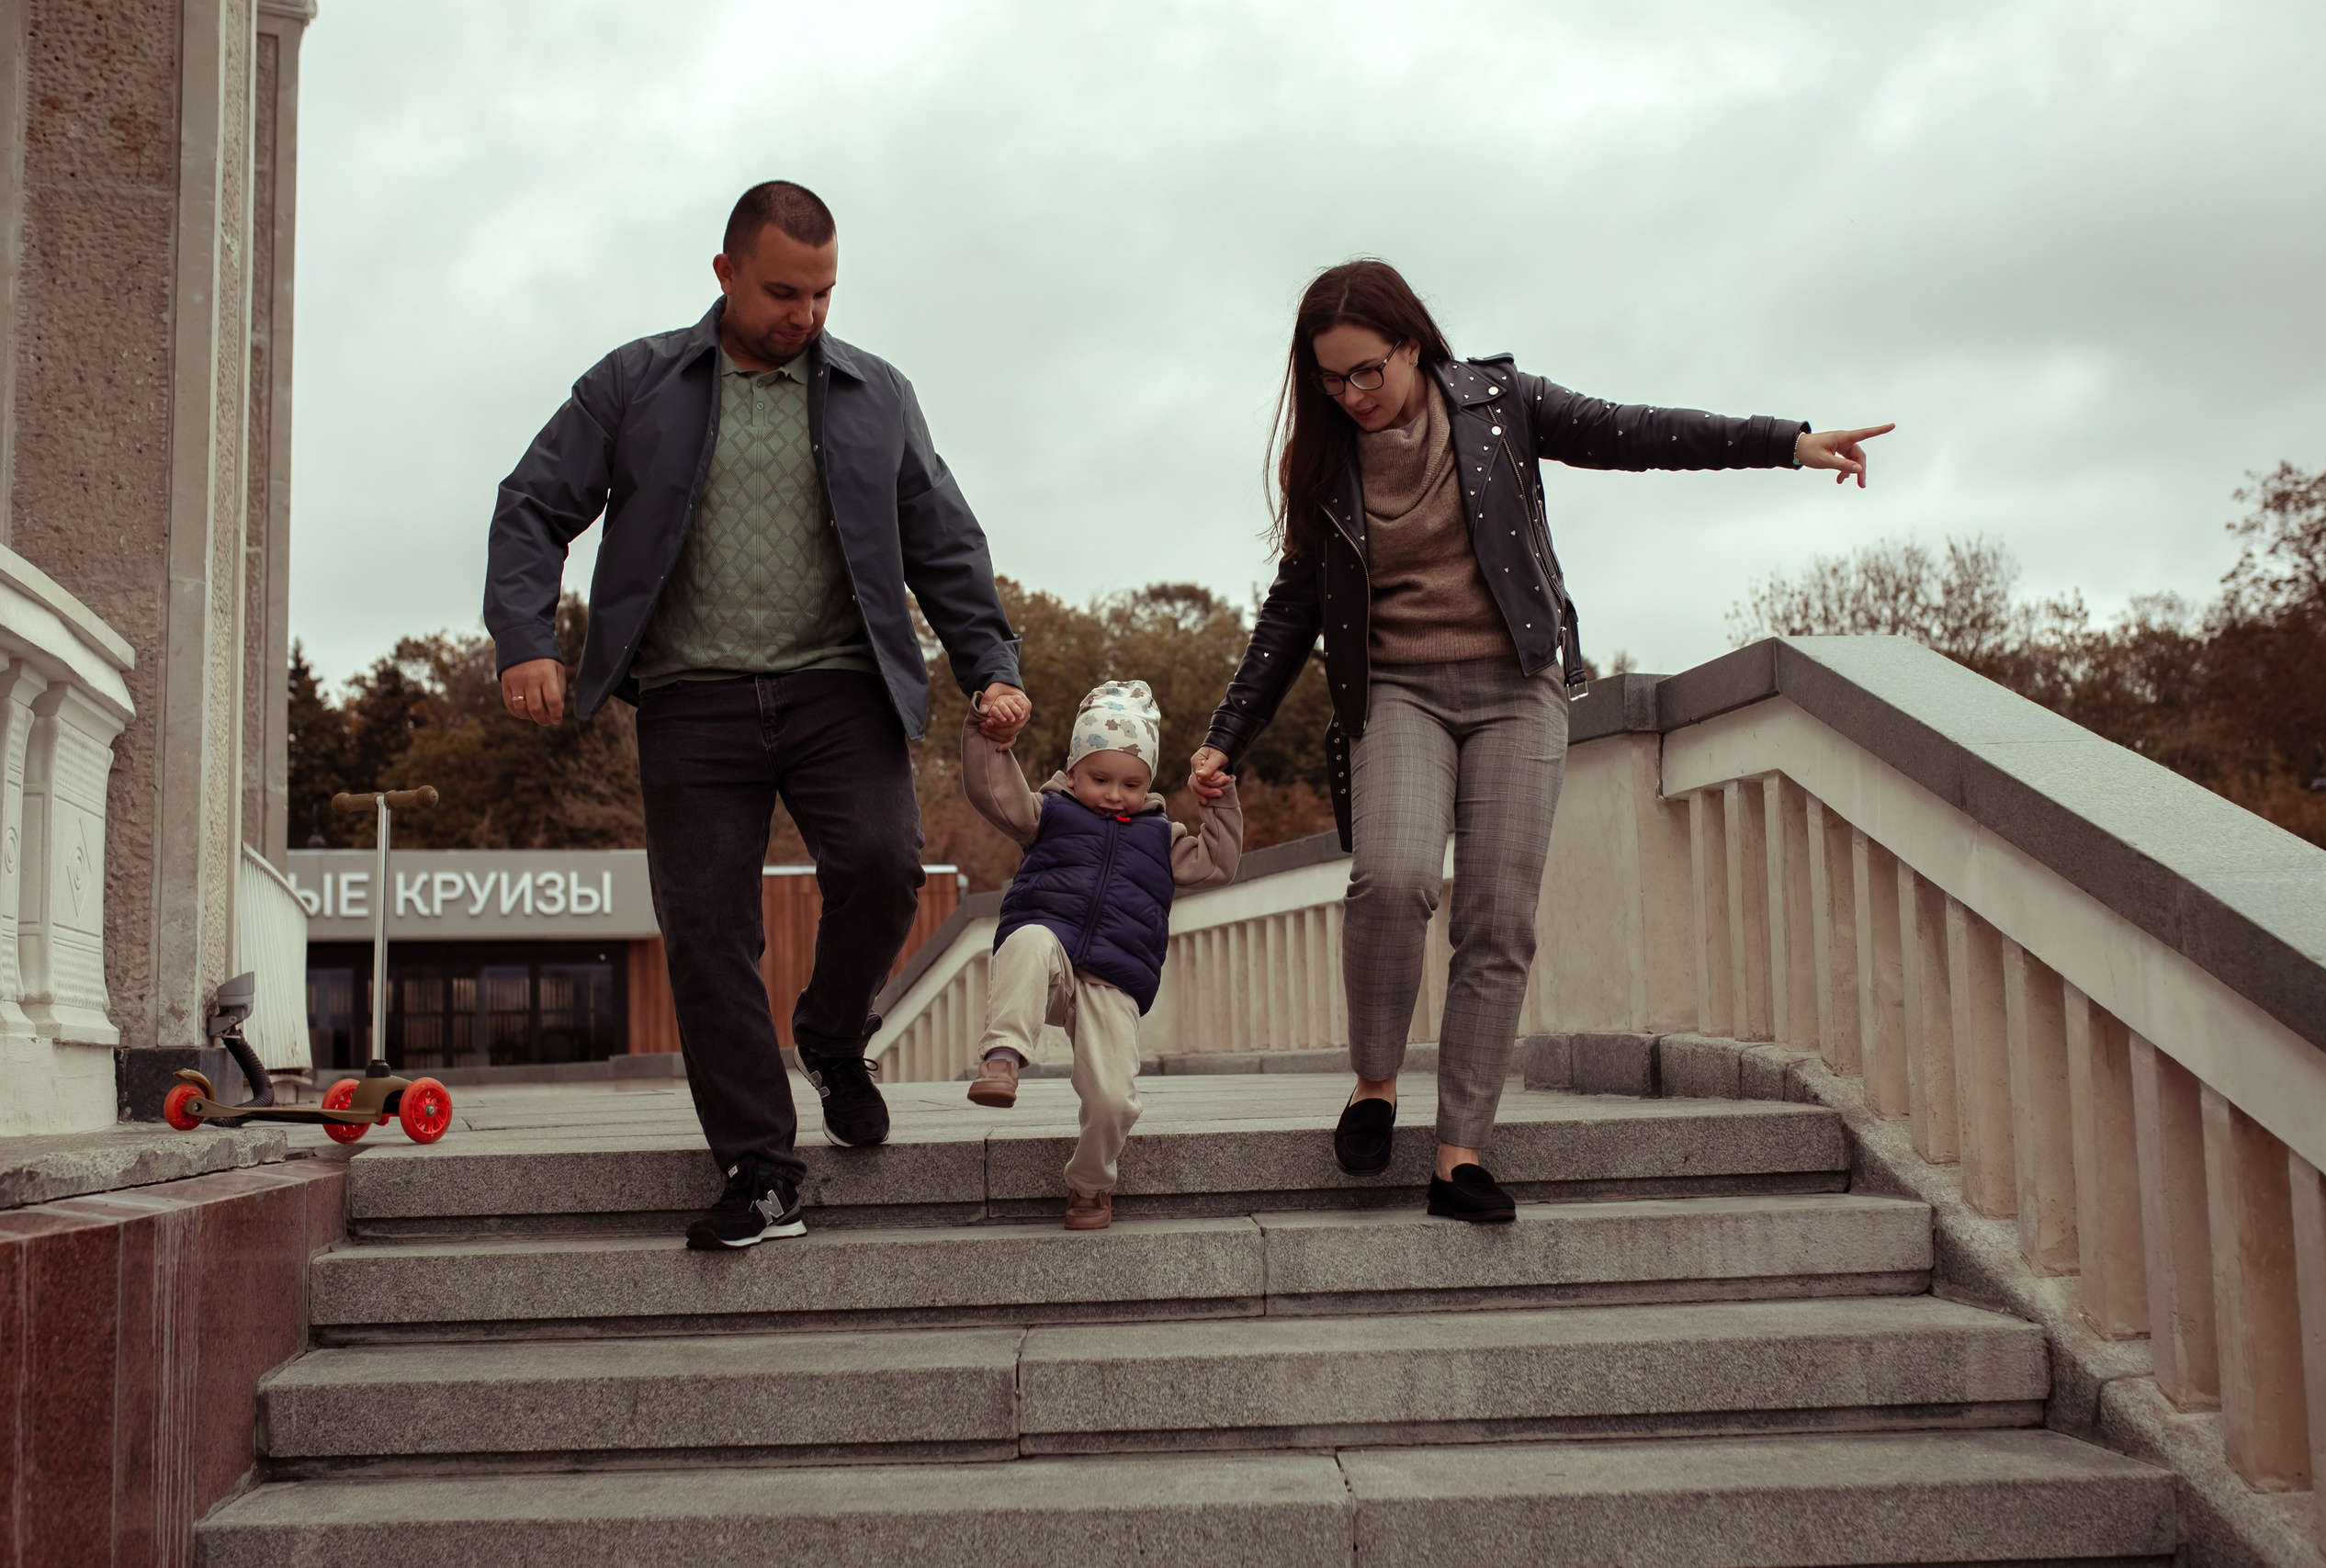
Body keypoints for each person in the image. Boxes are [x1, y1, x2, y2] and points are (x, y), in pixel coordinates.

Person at [1191, 259, 1891, 1224]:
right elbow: (1289, 613)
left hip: (1515, 687)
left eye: (1367, 373)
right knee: (1392, 877)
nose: (1351, 396)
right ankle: (1375, 1084)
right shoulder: (1327, 468)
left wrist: (1788, 441)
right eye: (1329, 380)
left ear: (1411, 345)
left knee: (1497, 918)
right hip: (1395, 690)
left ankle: (1459, 1154)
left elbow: (1636, 432)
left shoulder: (1498, 405)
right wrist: (1228, 733)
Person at [484, 181, 1032, 1251]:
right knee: (707, 934)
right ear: (726, 273)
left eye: (824, 293)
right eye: (785, 291)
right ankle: (760, 1167)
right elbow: (533, 504)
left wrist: (991, 664)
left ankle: (832, 1035)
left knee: (883, 867)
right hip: (692, 698)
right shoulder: (635, 382)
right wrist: (525, 640)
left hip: (840, 687)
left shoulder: (879, 394)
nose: (807, 315)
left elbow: (944, 540)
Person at [961, 681, 1242, 1228]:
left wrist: (1219, 800)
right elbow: (992, 790)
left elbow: (1219, 863)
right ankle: (1002, 1057)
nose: (1115, 794)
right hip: (1052, 965)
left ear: (1150, 782)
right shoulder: (1049, 814)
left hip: (1113, 983)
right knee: (1028, 937)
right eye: (1100, 779)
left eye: (1132, 784)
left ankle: (1090, 1186)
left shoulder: (1163, 838)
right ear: (1073, 770)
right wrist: (985, 734)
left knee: (1115, 1101)